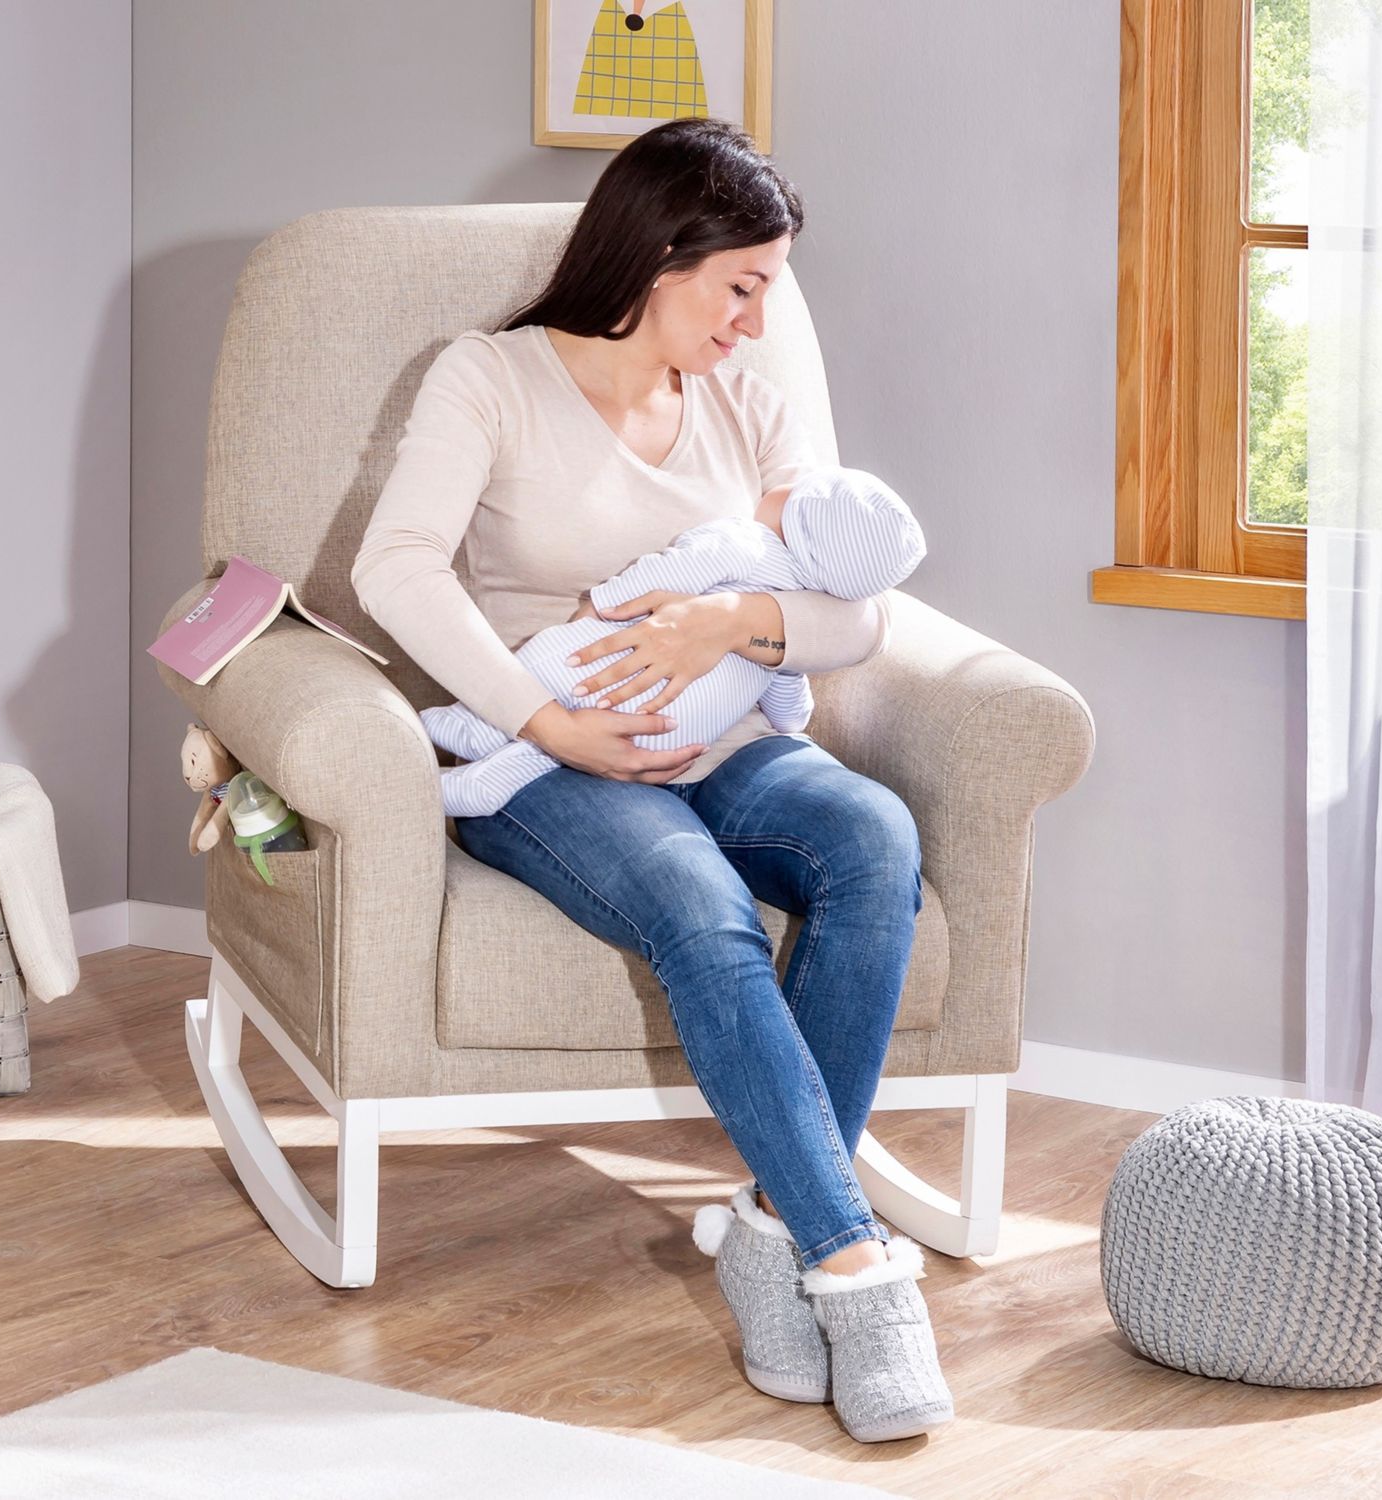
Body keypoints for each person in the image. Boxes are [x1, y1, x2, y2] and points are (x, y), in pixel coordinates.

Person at [350, 116, 953, 1444]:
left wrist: (730, 621)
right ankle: (855, 1267)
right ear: (659, 255)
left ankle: (774, 1228)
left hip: (725, 733)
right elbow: (394, 567)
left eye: (767, 291)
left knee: (871, 838)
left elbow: (857, 606)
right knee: (697, 903)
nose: (756, 322)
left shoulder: (749, 405)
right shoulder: (487, 378)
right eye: (740, 286)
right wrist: (546, 721)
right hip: (546, 757)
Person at [417, 463, 927, 817]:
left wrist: (599, 607)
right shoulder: (788, 623)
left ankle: (470, 727)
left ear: (796, 513)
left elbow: (668, 572)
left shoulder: (745, 541)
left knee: (554, 662)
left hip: (611, 671)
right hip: (671, 737)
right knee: (568, 747)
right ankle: (488, 783)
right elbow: (791, 715)